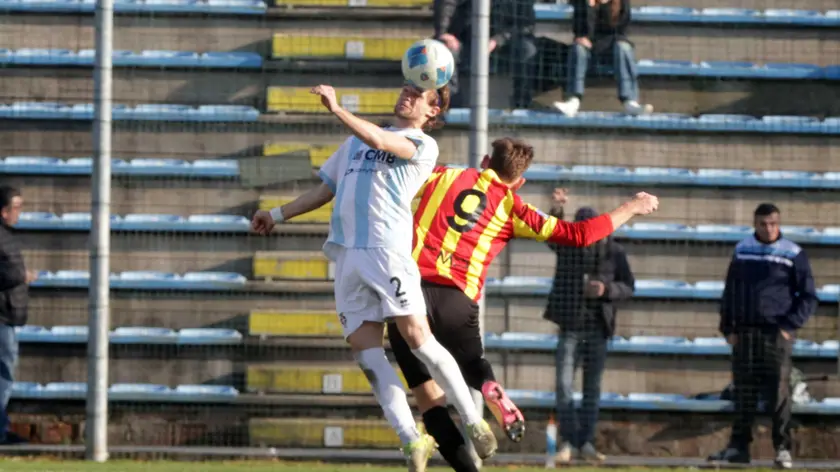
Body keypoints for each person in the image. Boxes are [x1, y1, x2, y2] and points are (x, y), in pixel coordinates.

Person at [251, 83, 497, 472]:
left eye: (420, 95)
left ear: (432, 113)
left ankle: (472, 419)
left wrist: (337, 108)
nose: (408, 96)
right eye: (407, 88)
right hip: (348, 255)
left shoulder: (421, 145)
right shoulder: (353, 144)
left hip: (387, 252)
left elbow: (379, 138)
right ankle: (411, 438)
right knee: (366, 354)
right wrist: (277, 214)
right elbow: (325, 189)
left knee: (417, 338)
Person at [387, 138, 659, 472]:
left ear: (485, 160)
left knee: (427, 393)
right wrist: (631, 206)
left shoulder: (444, 175)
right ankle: (488, 387)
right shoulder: (513, 207)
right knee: (474, 365)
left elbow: (393, 185)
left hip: (409, 293)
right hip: (458, 300)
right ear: (520, 182)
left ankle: (451, 456)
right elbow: (579, 234)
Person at [708, 203, 818, 470]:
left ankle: (782, 449)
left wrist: (789, 326)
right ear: (754, 224)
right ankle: (738, 448)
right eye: (762, 224)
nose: (768, 229)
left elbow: (808, 296)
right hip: (744, 333)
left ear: (779, 224)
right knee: (743, 392)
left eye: (773, 224)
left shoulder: (792, 253)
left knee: (779, 393)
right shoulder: (742, 249)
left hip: (775, 334)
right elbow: (730, 291)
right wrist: (728, 328)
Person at [542, 199, 635, 464]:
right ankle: (569, 442)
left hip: (598, 328)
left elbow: (629, 286)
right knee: (563, 386)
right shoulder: (568, 247)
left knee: (592, 389)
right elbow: (550, 233)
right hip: (570, 327)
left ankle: (587, 443)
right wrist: (556, 209)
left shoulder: (614, 252)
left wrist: (607, 290)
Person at [552, 0, 653, 117]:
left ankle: (630, 101)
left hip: (612, 47)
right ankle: (573, 100)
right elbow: (580, 31)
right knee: (578, 48)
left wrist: (594, 41)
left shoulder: (621, 2)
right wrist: (589, 8)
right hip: (589, 50)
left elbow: (620, 31)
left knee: (623, 47)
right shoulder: (582, 3)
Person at [434, 0, 538, 108]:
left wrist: (498, 40)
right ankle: (450, 106)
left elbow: (525, 24)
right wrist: (443, 32)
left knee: (527, 49)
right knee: (442, 49)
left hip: (506, 42)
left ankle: (522, 106)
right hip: (465, 39)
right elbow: (447, 3)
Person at [0, 186, 36, 445]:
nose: (19, 212)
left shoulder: (7, 236)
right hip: (1, 317)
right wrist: (20, 277)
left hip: (7, 316)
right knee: (4, 374)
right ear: (4, 211)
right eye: (17, 207)